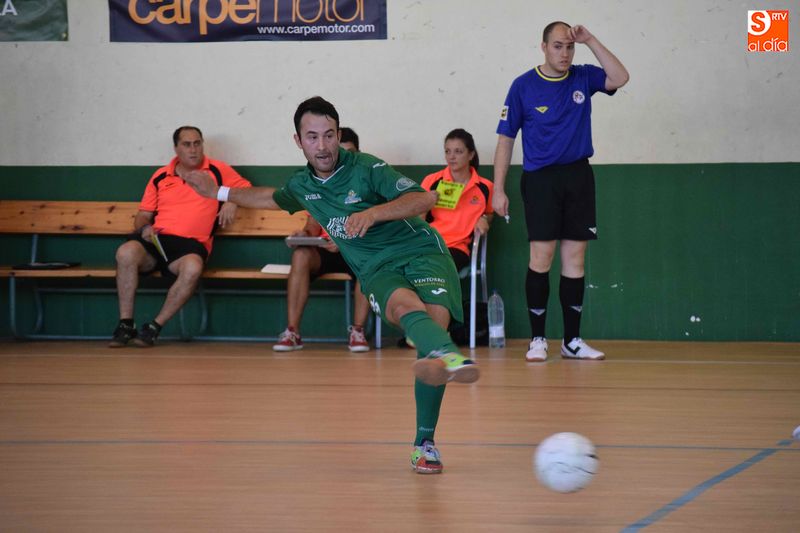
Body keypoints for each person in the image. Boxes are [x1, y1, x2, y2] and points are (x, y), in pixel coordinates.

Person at [185, 97, 479, 475]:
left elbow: (423, 198)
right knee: (406, 310)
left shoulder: (367, 167)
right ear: (298, 141)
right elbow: (270, 198)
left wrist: (373, 213)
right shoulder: (302, 185)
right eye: (312, 137)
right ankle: (446, 362)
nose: (322, 145)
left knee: (433, 329)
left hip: (423, 253)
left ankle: (426, 433)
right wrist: (218, 193)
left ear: (338, 135)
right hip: (376, 267)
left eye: (328, 135)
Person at [492, 22, 629, 362]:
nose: (564, 53)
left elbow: (620, 77)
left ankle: (572, 340)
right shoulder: (522, 86)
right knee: (541, 257)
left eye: (569, 47)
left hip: (578, 176)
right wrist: (498, 189)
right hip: (541, 180)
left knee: (575, 259)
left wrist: (590, 39)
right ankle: (537, 339)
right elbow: (506, 139)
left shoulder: (583, 76)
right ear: (543, 47)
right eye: (557, 46)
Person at [109, 126, 252, 347]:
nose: (193, 149)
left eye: (197, 143)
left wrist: (232, 201)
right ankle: (126, 324)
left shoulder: (217, 170)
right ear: (176, 148)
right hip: (156, 241)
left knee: (193, 268)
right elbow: (143, 216)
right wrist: (145, 229)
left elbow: (246, 189)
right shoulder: (160, 176)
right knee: (125, 252)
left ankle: (153, 328)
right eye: (187, 144)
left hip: (190, 246)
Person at [274, 127, 371, 352]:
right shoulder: (320, 184)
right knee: (301, 255)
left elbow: (376, 225)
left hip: (357, 251)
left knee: (369, 263)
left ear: (357, 154)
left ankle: (357, 331)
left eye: (349, 153)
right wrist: (305, 235)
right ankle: (292, 332)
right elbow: (313, 224)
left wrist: (345, 240)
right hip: (326, 249)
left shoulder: (368, 181)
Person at [420, 128, 493, 273]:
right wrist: (427, 203)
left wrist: (485, 218)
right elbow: (417, 218)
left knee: (435, 267)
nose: (451, 157)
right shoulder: (432, 180)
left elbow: (489, 213)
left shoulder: (485, 187)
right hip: (429, 243)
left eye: (458, 151)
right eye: (447, 151)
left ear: (471, 154)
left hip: (457, 248)